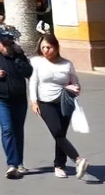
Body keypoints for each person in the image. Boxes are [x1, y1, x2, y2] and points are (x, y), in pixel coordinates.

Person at [29, 34, 88, 179]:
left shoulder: (67, 64)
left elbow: (75, 82)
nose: (45, 50)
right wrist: (34, 101)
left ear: (56, 47)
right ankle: (78, 160)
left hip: (64, 102)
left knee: (61, 134)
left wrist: (76, 88)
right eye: (42, 47)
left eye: (48, 47)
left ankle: (59, 165)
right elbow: (33, 81)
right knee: (57, 131)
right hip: (45, 102)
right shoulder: (37, 62)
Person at [0, 28, 33, 179]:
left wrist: (20, 59)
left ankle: (19, 163)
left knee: (18, 130)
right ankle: (12, 165)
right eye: (4, 44)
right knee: (7, 128)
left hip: (19, 99)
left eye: (10, 43)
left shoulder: (18, 55)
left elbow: (28, 73)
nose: (8, 46)